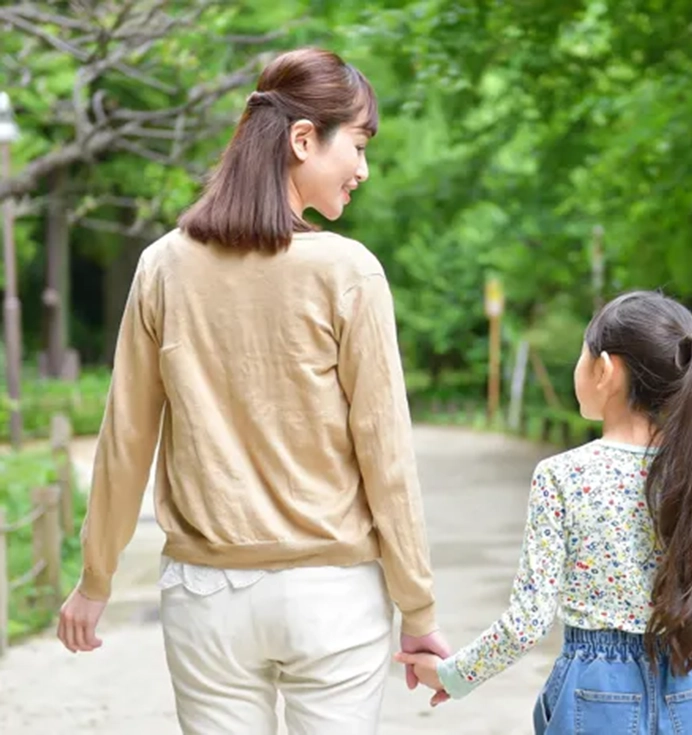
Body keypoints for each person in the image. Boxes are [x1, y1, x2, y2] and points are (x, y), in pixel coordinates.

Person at [57, 47, 449, 734]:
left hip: (207, 598)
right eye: (356, 146)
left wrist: (97, 579)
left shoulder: (163, 266)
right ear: (304, 140)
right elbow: (386, 455)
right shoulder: (348, 271)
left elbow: (126, 441)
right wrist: (417, 612)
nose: (363, 168)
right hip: (333, 596)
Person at [397, 290, 692, 734]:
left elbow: (528, 622)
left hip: (597, 694)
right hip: (691, 686)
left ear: (605, 369)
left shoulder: (564, 475)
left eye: (582, 356)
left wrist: (453, 676)